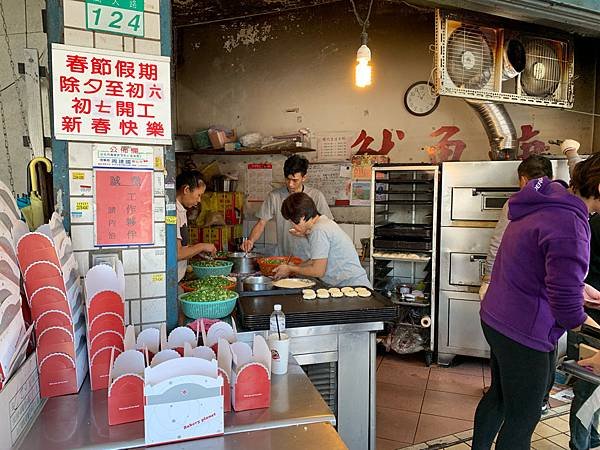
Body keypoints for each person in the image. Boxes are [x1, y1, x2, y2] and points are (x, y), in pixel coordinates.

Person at [471, 153, 600, 450]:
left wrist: (577, 287)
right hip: (525, 329)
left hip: (497, 315)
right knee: (523, 416)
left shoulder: (545, 201)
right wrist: (593, 329)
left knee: (499, 397)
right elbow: (567, 311)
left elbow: (532, 264)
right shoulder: (570, 224)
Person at [478, 155, 555, 414]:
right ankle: (540, 398)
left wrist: (488, 278)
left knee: (506, 353)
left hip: (512, 298)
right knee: (545, 350)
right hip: (545, 299)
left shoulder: (516, 203)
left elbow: (497, 243)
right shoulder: (562, 205)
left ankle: (510, 396)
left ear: (523, 179)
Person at [562, 139, 600, 450]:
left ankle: (592, 436)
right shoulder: (580, 216)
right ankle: (581, 444)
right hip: (589, 310)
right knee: (589, 385)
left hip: (587, 301)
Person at [241, 154, 332, 259]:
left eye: (295, 180)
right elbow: (261, 223)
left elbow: (327, 225)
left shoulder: (316, 196)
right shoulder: (275, 196)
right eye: (287, 179)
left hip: (310, 257)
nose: (290, 184)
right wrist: (250, 241)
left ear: (304, 178)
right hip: (284, 256)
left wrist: (306, 233)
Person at [271, 192, 371, 288]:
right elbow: (315, 261)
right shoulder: (323, 222)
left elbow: (318, 271)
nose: (293, 225)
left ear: (302, 216)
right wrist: (295, 266)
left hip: (353, 286)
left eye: (293, 222)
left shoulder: (318, 230)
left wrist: (290, 269)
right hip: (350, 284)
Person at [176, 171, 216, 282]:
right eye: (198, 195)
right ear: (186, 190)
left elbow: (181, 247)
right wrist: (201, 246)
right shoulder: (172, 212)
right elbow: (177, 254)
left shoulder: (180, 210)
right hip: (170, 281)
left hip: (177, 278)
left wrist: (195, 251)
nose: (199, 200)